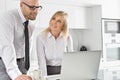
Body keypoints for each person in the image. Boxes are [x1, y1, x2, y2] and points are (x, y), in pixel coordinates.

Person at [0, 0, 42, 80]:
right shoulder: (7, 18)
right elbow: (7, 46)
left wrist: (24, 66)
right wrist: (15, 74)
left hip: (22, 64)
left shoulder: (31, 25)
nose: (35, 11)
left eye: (37, 7)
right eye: (32, 7)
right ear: (21, 4)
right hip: (5, 63)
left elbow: (27, 47)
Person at [36, 11, 73, 76]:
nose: (54, 22)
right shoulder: (41, 37)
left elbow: (71, 59)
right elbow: (41, 62)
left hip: (64, 72)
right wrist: (44, 78)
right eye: (53, 19)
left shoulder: (67, 38)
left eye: (59, 21)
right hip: (47, 72)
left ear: (63, 26)